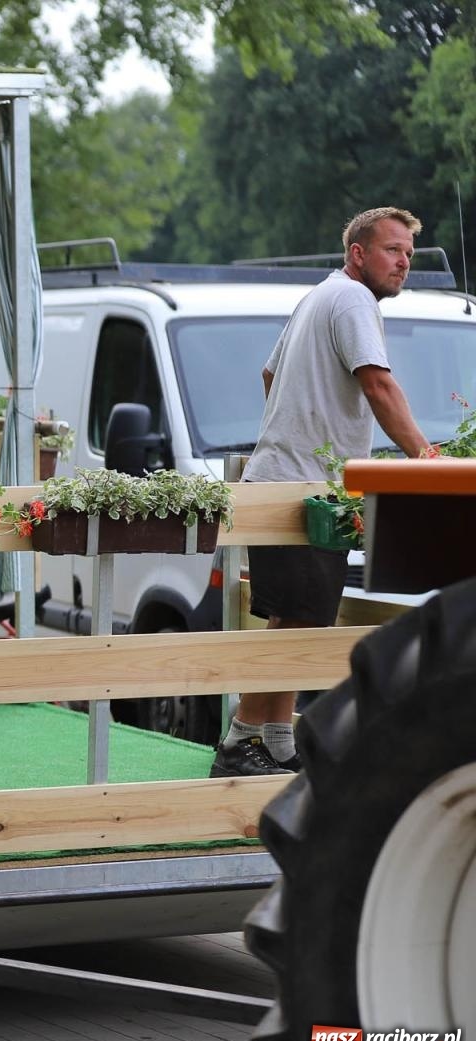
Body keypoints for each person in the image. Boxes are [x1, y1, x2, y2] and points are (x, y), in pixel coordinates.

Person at [212, 207, 435, 777]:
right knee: (299, 620)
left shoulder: (319, 297)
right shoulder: (353, 300)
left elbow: (269, 375)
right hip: (300, 485)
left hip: (295, 482)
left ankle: (277, 742)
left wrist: (299, 428)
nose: (403, 262)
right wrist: (426, 458)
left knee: (300, 617)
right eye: (392, 250)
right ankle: (240, 742)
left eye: (409, 253)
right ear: (357, 252)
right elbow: (378, 383)